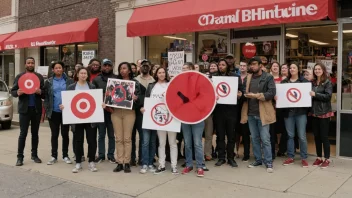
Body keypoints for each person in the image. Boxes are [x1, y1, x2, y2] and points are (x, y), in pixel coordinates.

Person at [241, 56, 276, 173]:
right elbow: (244, 92)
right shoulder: (248, 78)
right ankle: (258, 159)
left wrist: (255, 96)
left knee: (265, 139)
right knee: (254, 138)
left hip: (263, 113)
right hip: (250, 113)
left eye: (255, 64)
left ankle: (268, 161)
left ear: (260, 65)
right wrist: (242, 94)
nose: (252, 66)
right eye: (251, 64)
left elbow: (271, 93)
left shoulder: (268, 77)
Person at [143, 67, 179, 174]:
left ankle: (174, 166)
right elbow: (147, 100)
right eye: (159, 72)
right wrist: (144, 108)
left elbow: (178, 99)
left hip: (171, 117)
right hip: (158, 117)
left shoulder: (171, 85)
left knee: (172, 143)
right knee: (161, 143)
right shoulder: (152, 86)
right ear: (156, 74)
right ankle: (162, 165)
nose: (162, 74)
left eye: (163, 72)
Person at [63, 67, 99, 173]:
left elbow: (95, 101)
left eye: (85, 73)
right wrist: (63, 106)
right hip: (76, 119)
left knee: (92, 140)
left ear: (87, 75)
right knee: (78, 140)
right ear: (77, 75)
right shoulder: (71, 87)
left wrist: (100, 104)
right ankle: (78, 162)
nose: (83, 75)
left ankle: (91, 161)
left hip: (90, 118)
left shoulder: (92, 87)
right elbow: (68, 102)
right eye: (81, 73)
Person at [12, 57, 45, 166]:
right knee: (23, 134)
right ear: (25, 64)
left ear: (34, 64)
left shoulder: (39, 77)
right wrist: (17, 92)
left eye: (32, 63)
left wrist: (40, 91)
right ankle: (19, 157)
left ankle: (34, 155)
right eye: (28, 63)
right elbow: (13, 91)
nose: (30, 64)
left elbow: (44, 93)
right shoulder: (20, 76)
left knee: (35, 134)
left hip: (36, 110)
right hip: (24, 110)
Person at [213, 59, 243, 168]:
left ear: (227, 66)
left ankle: (230, 158)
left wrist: (240, 94)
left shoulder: (235, 77)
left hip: (231, 111)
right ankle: (221, 157)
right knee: (220, 136)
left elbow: (241, 90)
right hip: (219, 111)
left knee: (231, 136)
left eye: (223, 64)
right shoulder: (214, 77)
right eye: (219, 64)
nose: (221, 66)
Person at [112, 62, 141, 173]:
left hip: (129, 112)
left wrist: (136, 98)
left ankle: (127, 162)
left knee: (127, 138)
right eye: (121, 69)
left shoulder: (135, 83)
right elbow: (110, 97)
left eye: (125, 68)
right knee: (119, 138)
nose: (122, 70)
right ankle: (120, 162)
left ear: (129, 70)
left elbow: (139, 100)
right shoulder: (114, 83)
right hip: (116, 112)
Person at [44, 61, 74, 165]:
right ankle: (54, 156)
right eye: (56, 68)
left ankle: (65, 155)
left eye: (60, 68)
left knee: (65, 134)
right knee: (54, 134)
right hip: (53, 112)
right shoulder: (48, 82)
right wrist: (47, 108)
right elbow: (46, 96)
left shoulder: (69, 81)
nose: (58, 69)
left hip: (66, 112)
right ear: (53, 70)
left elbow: (73, 96)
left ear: (63, 69)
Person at [280, 62, 309, 168]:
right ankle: (291, 157)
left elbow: (307, 97)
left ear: (298, 69)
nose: (292, 69)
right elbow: (281, 96)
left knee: (302, 136)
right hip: (288, 113)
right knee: (290, 136)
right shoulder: (284, 82)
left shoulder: (304, 82)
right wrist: (277, 98)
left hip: (301, 113)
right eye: (290, 68)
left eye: (294, 67)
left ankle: (304, 157)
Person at [181, 62, 206, 177]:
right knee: (187, 143)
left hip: (198, 117)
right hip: (185, 117)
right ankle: (189, 164)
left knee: (197, 143)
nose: (183, 70)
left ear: (191, 69)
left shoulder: (199, 81)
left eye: (185, 68)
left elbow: (205, 96)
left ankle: (200, 166)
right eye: (182, 69)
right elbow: (176, 95)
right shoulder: (180, 82)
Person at [93, 59, 117, 164]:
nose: (107, 67)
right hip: (100, 111)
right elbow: (92, 95)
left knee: (112, 135)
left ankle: (111, 155)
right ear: (102, 67)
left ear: (112, 67)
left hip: (112, 111)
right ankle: (101, 155)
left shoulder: (117, 78)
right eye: (105, 65)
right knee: (101, 134)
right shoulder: (96, 79)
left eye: (109, 65)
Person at [132, 59, 156, 166]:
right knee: (135, 136)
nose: (145, 67)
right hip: (138, 112)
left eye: (147, 65)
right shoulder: (134, 80)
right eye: (143, 65)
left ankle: (143, 159)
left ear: (150, 67)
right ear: (140, 67)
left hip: (151, 113)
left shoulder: (154, 81)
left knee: (145, 137)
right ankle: (133, 158)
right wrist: (139, 106)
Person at [310, 63, 333, 168]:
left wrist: (316, 94)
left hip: (324, 113)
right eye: (316, 69)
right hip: (314, 113)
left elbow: (328, 96)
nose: (317, 71)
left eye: (319, 69)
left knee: (324, 137)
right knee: (316, 137)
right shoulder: (313, 82)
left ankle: (327, 158)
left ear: (323, 70)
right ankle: (319, 157)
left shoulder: (327, 82)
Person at [236, 61, 250, 162]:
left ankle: (246, 154)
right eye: (241, 66)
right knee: (235, 132)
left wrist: (243, 95)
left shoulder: (250, 77)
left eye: (244, 66)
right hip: (235, 107)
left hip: (246, 107)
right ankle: (235, 152)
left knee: (245, 132)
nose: (242, 67)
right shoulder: (235, 77)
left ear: (247, 67)